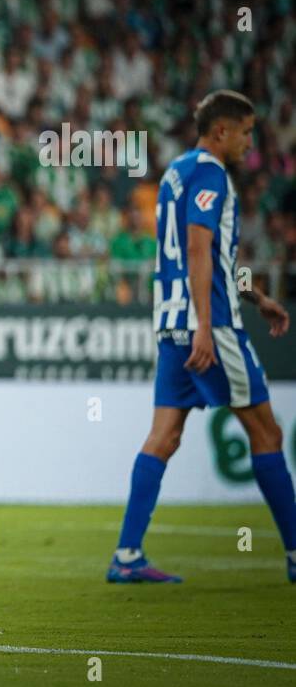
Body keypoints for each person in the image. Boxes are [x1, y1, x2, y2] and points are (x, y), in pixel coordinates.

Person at [110, 90, 296, 584]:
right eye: (246, 131)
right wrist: (204, 325)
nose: (250, 142)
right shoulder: (211, 173)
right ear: (222, 131)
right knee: (267, 432)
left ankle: (127, 555)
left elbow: (216, 258)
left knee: (164, 437)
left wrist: (258, 297)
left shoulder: (176, 173)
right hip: (207, 327)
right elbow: (198, 248)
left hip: (172, 323)